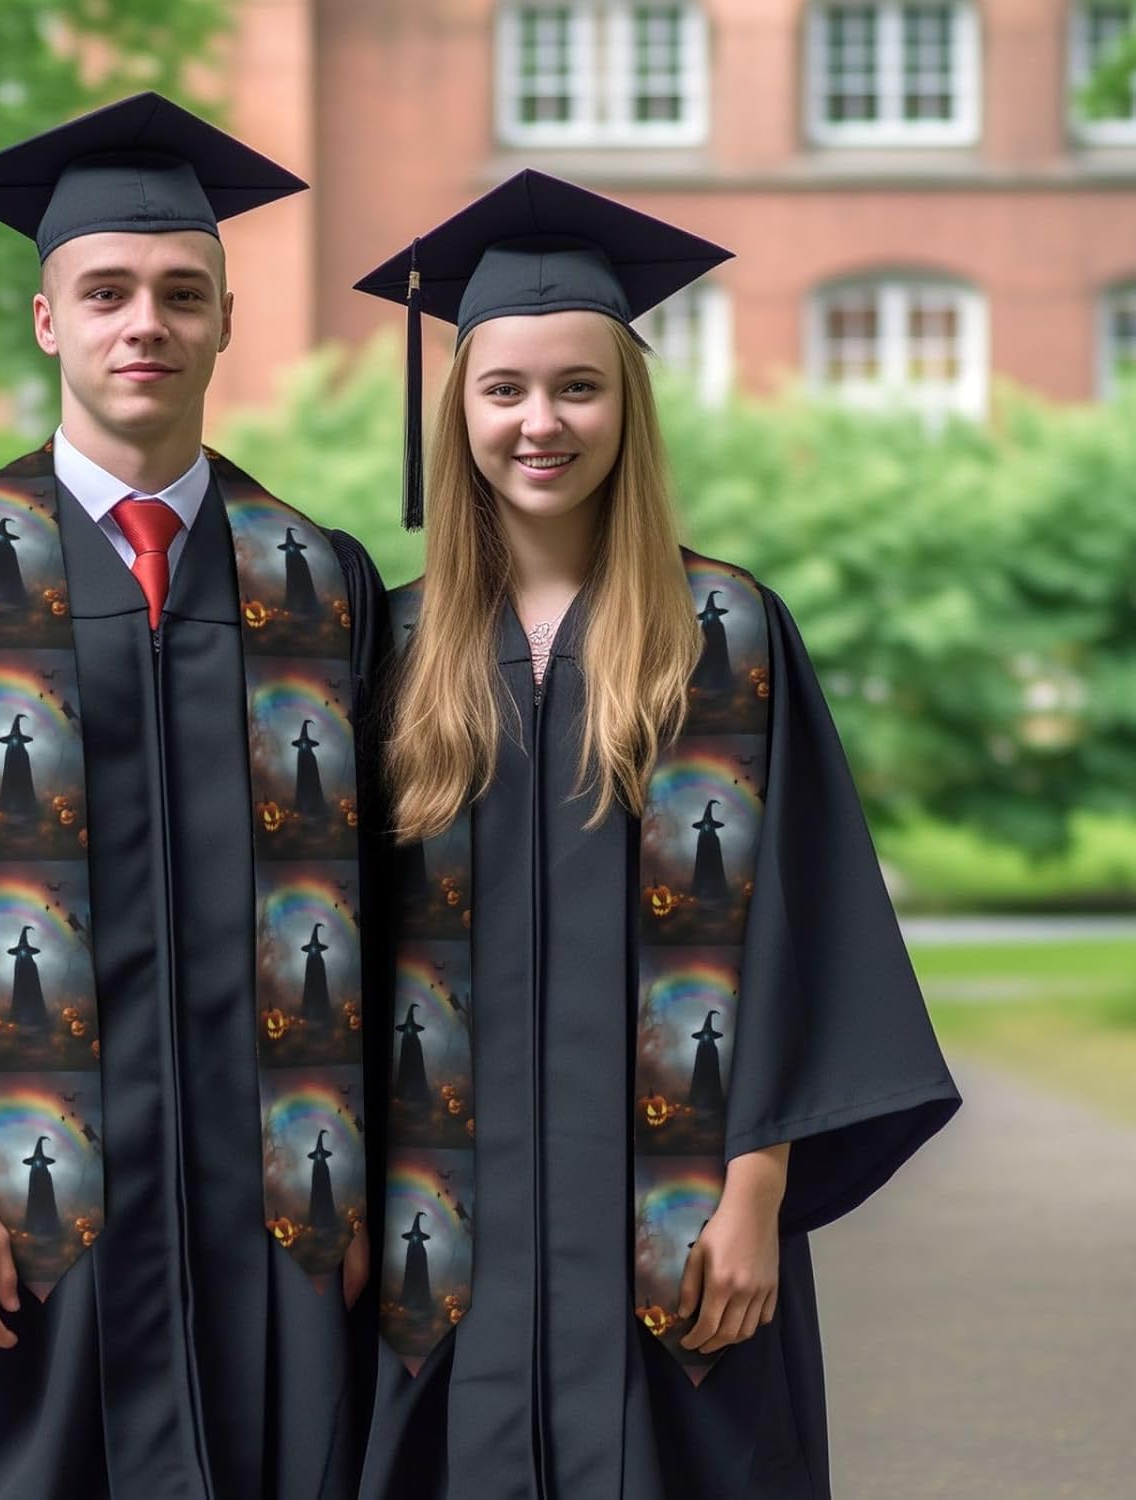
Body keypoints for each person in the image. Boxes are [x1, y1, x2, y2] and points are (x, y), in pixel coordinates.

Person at [0, 93, 386, 1500]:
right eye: (106, 293)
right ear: (47, 321)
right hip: (40, 1209)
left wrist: (383, 1182)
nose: (143, 323)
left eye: (180, 294)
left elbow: (400, 904)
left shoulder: (317, 581)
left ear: (226, 321)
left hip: (288, 1210)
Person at [351, 170, 961, 1498]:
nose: (541, 422)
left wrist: (756, 1194)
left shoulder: (725, 636)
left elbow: (801, 925)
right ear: (457, 412)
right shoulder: (389, 648)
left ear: (629, 407)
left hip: (680, 1239)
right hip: (437, 1248)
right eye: (504, 389)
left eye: (579, 387)